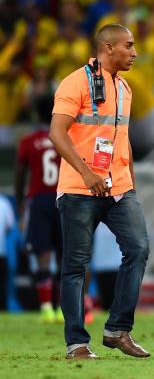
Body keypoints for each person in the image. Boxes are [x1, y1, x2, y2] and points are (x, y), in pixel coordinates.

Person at [49, 23, 150, 360]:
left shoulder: (125, 88)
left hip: (119, 188)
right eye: (129, 46)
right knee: (76, 265)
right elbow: (57, 133)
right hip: (79, 188)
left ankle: (118, 329)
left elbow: (122, 139)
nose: (134, 53)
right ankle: (76, 343)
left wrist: (131, 182)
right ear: (108, 48)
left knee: (138, 248)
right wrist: (86, 172)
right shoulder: (74, 82)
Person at [14, 96, 64, 323]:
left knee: (43, 256)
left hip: (39, 200)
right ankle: (65, 308)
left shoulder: (28, 141)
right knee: (67, 256)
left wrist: (19, 201)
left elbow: (19, 173)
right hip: (64, 198)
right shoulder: (65, 137)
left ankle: (46, 308)